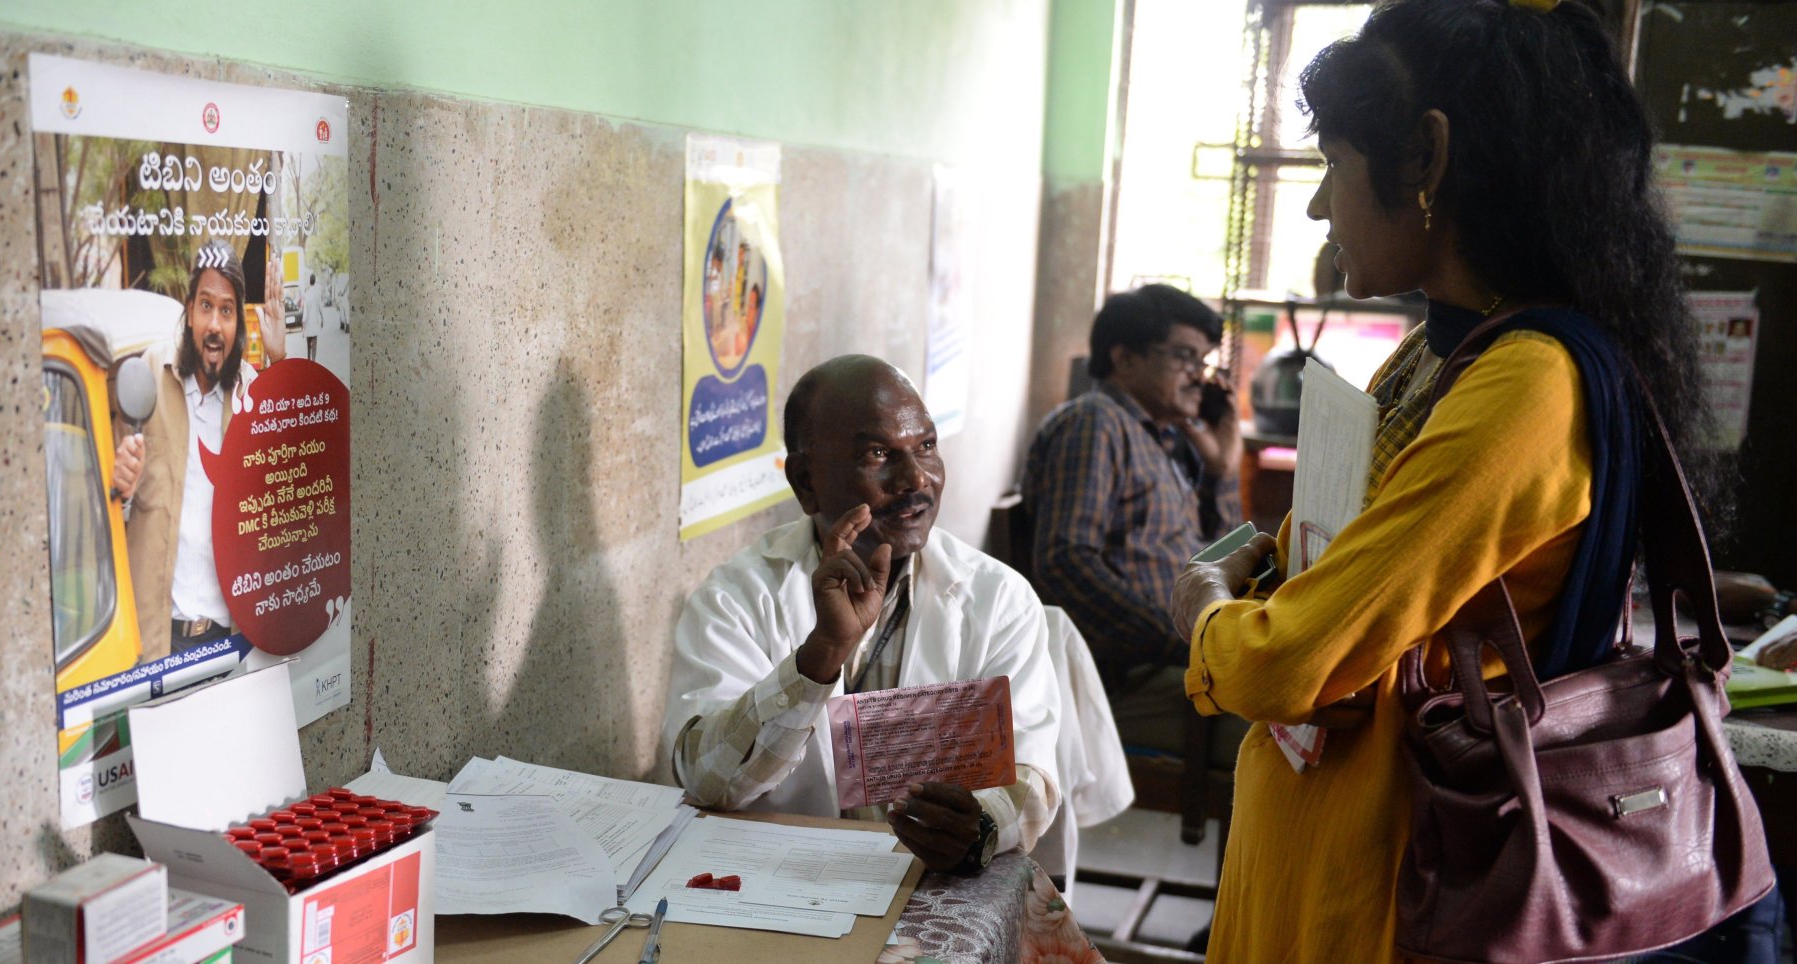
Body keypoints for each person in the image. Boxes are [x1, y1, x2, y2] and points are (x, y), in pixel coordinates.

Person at [1166, 1, 1782, 959]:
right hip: (1311, 830)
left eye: (1333, 162)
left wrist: (1203, 601)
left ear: (1426, 159)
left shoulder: (1524, 387)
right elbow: (1307, 572)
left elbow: (1282, 656)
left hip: (1388, 877)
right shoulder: (1436, 352)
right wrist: (1249, 585)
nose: (1323, 205)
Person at [663, 355, 1061, 874]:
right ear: (806, 481)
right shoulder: (736, 597)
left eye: (927, 447)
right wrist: (820, 656)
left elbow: (1030, 774)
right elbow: (704, 780)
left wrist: (980, 824)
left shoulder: (998, 599)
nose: (917, 478)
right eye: (878, 454)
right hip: (780, 882)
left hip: (932, 885)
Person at [1022, 285, 1248, 766]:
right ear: (1124, 358)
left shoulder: (1164, 437)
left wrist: (1223, 472)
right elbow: (1066, 562)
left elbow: (1222, 556)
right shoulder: (1094, 423)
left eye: (1204, 361)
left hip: (1177, 658)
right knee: (1280, 726)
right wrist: (1183, 643)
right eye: (1185, 358)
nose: (1199, 377)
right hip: (1126, 677)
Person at [113, 238, 283, 663]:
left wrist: (280, 364)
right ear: (189, 312)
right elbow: (111, 499)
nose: (214, 324)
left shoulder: (252, 392)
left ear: (238, 324)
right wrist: (120, 485)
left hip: (233, 642)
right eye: (205, 305)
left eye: (226, 310)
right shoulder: (150, 373)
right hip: (160, 642)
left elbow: (287, 490)